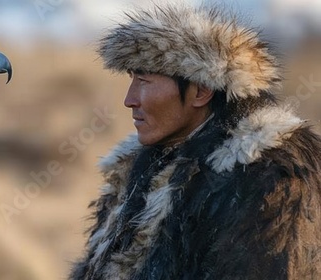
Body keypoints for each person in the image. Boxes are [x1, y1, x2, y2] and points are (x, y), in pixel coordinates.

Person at [71, 3, 321, 280]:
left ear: (201, 91)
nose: (129, 100)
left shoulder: (274, 177)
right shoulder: (138, 165)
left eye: (144, 81)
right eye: (132, 80)